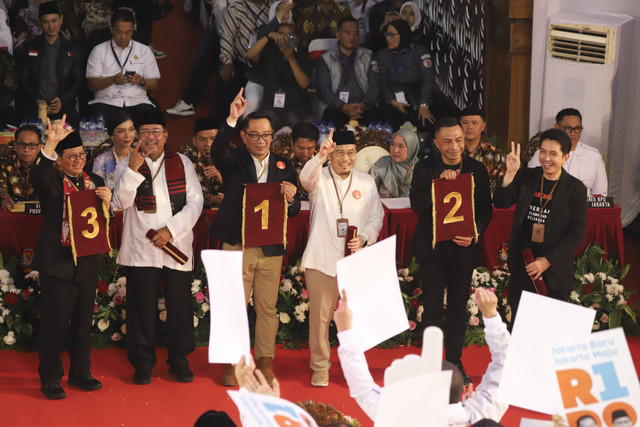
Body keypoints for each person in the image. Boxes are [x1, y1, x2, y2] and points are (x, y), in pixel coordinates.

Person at [210, 90, 300, 387]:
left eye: (266, 136)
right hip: (238, 243)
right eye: (255, 136)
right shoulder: (233, 159)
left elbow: (296, 208)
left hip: (271, 245)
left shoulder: (285, 165)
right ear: (244, 137)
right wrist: (232, 118)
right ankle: (233, 361)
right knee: (234, 304)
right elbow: (216, 151)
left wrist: (291, 198)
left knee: (267, 306)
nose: (262, 141)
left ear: (272, 136)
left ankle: (265, 361)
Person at [112, 110, 204, 385]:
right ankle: (142, 363)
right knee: (141, 308)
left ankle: (179, 360)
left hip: (175, 246)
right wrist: (132, 168)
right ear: (138, 137)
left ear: (166, 135)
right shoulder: (126, 163)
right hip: (142, 247)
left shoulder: (182, 162)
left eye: (156, 132)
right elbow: (120, 202)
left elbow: (195, 202)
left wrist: (170, 230)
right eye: (145, 132)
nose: (150, 137)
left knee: (179, 306)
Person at [334, 287, 510, 424]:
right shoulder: (482, 415)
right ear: (462, 391)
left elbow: (363, 388)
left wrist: (345, 331)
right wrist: (492, 316)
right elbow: (508, 364)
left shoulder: (403, 419)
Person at [31, 117, 112, 399]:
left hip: (87, 263)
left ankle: (80, 372)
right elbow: (37, 174)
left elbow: (103, 222)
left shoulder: (96, 181)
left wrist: (107, 203)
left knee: (81, 323)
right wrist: (50, 142)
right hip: (58, 263)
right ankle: (51, 378)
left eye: (82, 155)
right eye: (71, 157)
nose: (78, 161)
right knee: (55, 324)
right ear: (59, 160)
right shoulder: (52, 179)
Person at [410, 117, 493, 383]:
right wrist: (440, 186)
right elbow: (416, 205)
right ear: (436, 143)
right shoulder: (425, 168)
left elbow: (485, 210)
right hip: (433, 251)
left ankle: (455, 362)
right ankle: (431, 365)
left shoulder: (477, 169)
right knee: (432, 308)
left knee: (458, 309)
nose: (454, 146)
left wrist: (474, 233)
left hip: (462, 251)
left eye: (458, 140)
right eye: (447, 141)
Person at [299, 129, 384, 387]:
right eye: (339, 154)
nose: (345, 159)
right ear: (331, 154)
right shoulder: (319, 177)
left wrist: (366, 237)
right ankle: (320, 366)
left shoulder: (366, 182)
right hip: (322, 258)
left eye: (350, 153)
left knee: (354, 320)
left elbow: (376, 217)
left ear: (356, 154)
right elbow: (304, 180)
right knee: (320, 319)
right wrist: (319, 157)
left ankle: (352, 369)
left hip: (353, 260)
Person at [494, 129, 587, 324]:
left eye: (553, 154)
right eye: (543, 152)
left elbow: (576, 234)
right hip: (524, 265)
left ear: (565, 157)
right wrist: (510, 174)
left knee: (550, 329)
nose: (546, 158)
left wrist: (547, 260)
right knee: (520, 327)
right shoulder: (527, 177)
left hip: (554, 270)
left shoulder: (576, 189)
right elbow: (501, 203)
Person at [86, 9, 160, 124]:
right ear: (111, 29)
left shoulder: (144, 51)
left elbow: (154, 84)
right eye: (119, 32)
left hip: (137, 102)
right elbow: (91, 84)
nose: (124, 37)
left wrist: (141, 81)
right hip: (106, 102)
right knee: (97, 120)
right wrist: (112, 80)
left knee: (152, 120)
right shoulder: (98, 51)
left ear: (133, 30)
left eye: (128, 32)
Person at [16, 2, 83, 127]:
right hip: (34, 105)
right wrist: (36, 99)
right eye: (46, 22)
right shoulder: (29, 47)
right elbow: (23, 79)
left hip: (63, 105)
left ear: (61, 20)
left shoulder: (72, 48)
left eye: (54, 21)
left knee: (72, 135)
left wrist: (62, 100)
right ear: (40, 23)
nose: (51, 26)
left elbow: (77, 80)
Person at [246, 22, 313, 130]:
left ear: (296, 39)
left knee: (307, 129)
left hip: (297, 109)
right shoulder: (269, 54)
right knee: (262, 128)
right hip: (272, 108)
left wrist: (291, 58)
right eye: (282, 35)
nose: (286, 39)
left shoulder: (303, 59)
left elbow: (304, 84)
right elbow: (250, 55)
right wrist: (268, 36)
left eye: (290, 35)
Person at [316, 17, 380, 130]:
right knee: (330, 120)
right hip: (335, 108)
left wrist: (364, 105)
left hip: (363, 108)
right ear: (338, 35)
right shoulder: (325, 58)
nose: (352, 37)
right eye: (348, 33)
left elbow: (375, 86)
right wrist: (343, 107)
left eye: (356, 33)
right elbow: (324, 90)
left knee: (375, 123)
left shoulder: (369, 55)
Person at [217, 0, 276, 120]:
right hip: (241, 60)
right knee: (226, 80)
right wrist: (227, 62)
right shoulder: (236, 8)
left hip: (265, 62)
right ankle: (228, 122)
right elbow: (227, 36)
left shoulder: (273, 7)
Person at [528, 108, 608, 196]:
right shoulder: (542, 155)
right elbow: (530, 188)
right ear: (557, 127)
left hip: (583, 207)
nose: (573, 133)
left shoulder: (594, 156)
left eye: (577, 128)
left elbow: (600, 195)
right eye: (568, 128)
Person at [376, 19, 436, 132]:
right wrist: (393, 102)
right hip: (393, 104)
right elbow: (382, 83)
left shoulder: (419, 53)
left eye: (392, 35)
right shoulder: (383, 55)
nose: (388, 38)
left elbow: (428, 80)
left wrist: (423, 105)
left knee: (426, 123)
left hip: (417, 102)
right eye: (387, 34)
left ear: (403, 35)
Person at [179, 116, 225, 208]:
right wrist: (211, 201)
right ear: (194, 141)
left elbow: (242, 193)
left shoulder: (232, 157)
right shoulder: (183, 161)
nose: (208, 144)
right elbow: (180, 198)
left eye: (213, 139)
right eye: (202, 139)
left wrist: (222, 178)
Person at [459, 106, 506, 195]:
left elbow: (504, 186)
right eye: (465, 123)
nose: (469, 127)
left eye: (474, 123)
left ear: (483, 126)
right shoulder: (453, 152)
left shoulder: (495, 154)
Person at [92, 109, 135, 191]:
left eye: (131, 129)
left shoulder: (141, 157)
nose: (127, 135)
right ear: (111, 135)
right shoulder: (101, 160)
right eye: (121, 131)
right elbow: (98, 191)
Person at [369, 128, 419, 198]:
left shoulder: (421, 168)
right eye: (393, 144)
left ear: (412, 148)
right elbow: (368, 194)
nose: (395, 150)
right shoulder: (381, 165)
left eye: (401, 146)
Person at [0, 125, 41, 210]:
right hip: (12, 210)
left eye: (32, 145)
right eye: (22, 144)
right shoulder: (4, 161)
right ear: (15, 145)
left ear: (39, 147)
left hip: (41, 211)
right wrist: (4, 198)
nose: (26, 149)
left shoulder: (46, 163)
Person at [290, 121, 319, 201]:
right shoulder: (284, 162)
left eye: (310, 148)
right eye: (301, 148)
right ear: (292, 142)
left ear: (316, 144)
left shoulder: (323, 163)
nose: (305, 153)